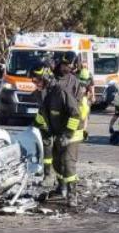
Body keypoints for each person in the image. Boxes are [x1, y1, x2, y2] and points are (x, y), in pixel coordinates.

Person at [31, 62, 84, 207]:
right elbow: (42, 114)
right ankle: (62, 188)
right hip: (58, 133)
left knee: (67, 163)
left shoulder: (61, 92)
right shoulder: (43, 94)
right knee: (56, 162)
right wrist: (36, 127)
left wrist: (67, 134)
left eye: (37, 80)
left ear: (47, 77)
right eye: (33, 80)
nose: (35, 83)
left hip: (72, 133)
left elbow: (75, 114)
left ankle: (73, 194)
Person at [76, 57, 95, 140]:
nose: (84, 67)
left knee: (86, 114)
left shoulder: (89, 74)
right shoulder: (76, 74)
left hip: (86, 97)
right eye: (83, 66)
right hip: (77, 97)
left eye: (85, 66)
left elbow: (91, 86)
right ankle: (78, 130)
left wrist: (93, 95)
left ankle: (83, 131)